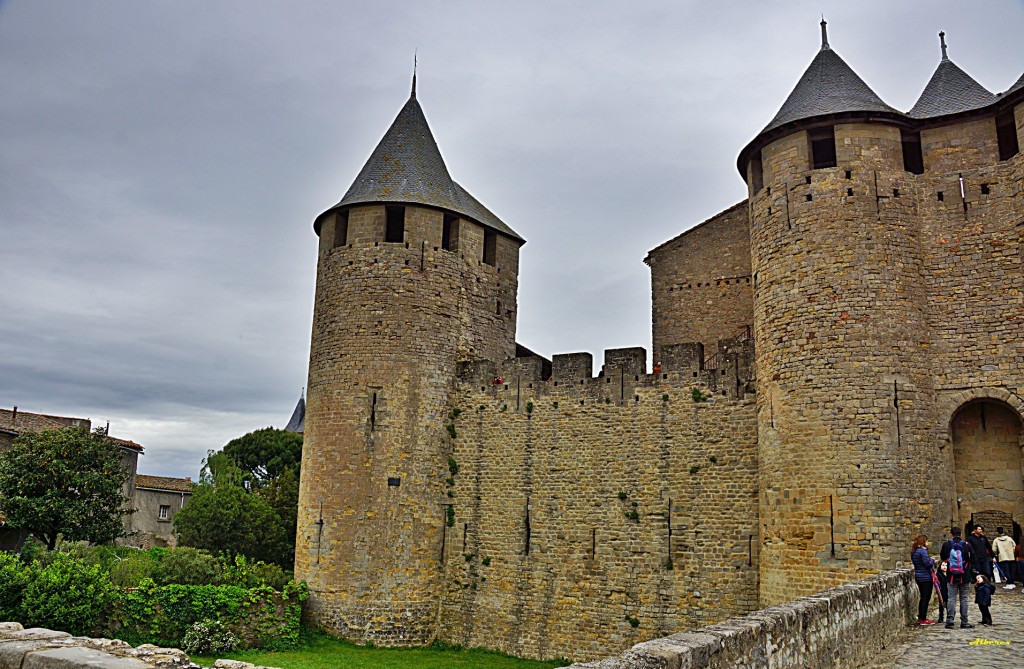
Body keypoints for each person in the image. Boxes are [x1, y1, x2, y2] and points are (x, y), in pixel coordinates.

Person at [940, 527, 974, 629]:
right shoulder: (966, 545)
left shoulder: (947, 544)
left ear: (951, 534)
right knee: (964, 598)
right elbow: (972, 558)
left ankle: (950, 621)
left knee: (951, 598)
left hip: (951, 575)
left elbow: (942, 557)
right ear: (961, 534)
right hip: (965, 575)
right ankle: (964, 621)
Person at [910, 534, 936, 624]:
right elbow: (927, 563)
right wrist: (932, 561)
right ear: (924, 542)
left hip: (918, 575)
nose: (928, 543)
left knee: (923, 597)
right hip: (925, 577)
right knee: (925, 597)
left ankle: (921, 616)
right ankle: (923, 618)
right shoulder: (923, 551)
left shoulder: (914, 551)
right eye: (927, 541)